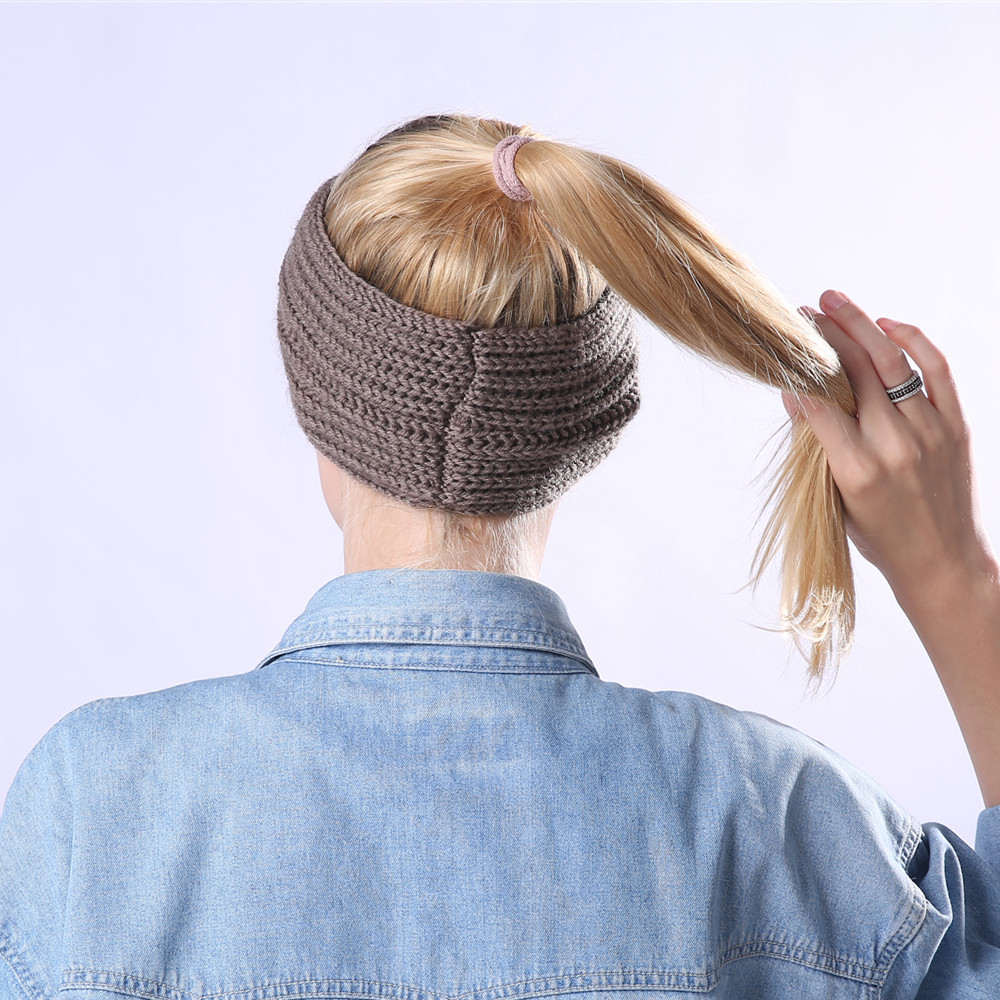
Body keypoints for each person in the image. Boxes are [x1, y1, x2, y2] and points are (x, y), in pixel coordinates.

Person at [1, 112, 998, 999]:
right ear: (586, 429)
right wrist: (952, 577)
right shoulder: (776, 824)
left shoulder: (90, 810)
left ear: (320, 405)